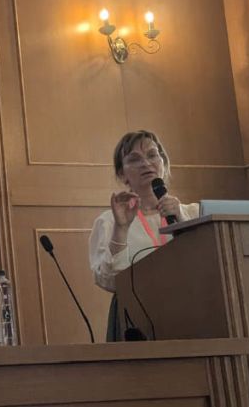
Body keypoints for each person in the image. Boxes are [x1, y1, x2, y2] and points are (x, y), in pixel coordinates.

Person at [89, 130, 199, 340]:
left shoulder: (192, 213)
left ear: (163, 163)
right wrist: (121, 228)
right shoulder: (109, 221)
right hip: (136, 318)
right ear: (122, 174)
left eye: (152, 155)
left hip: (190, 308)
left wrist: (182, 219)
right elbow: (110, 282)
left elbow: (206, 264)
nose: (146, 163)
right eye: (134, 159)